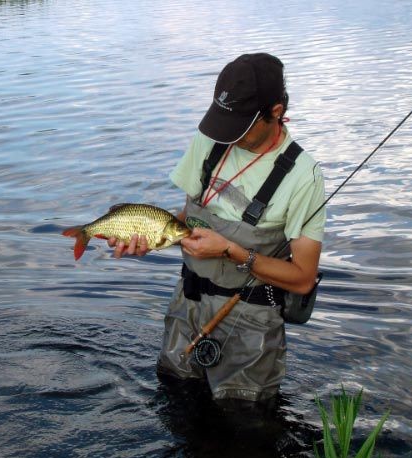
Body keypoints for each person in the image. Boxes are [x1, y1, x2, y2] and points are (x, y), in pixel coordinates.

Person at [109, 53, 325, 402]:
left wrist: (230, 250)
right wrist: (150, 238)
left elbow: (302, 277)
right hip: (188, 306)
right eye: (224, 119)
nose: (227, 134)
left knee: (243, 429)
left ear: (276, 111)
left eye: (240, 123)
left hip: (250, 329)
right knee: (175, 404)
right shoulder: (211, 138)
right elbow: (184, 220)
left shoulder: (303, 176)